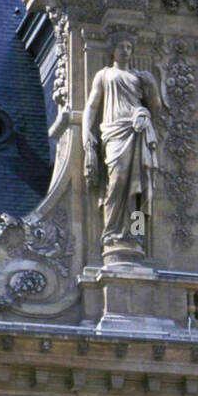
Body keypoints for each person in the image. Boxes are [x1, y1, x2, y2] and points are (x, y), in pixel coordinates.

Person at [82, 36, 163, 248]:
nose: (125, 50)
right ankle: (112, 231)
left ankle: (135, 233)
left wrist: (147, 102)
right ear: (113, 50)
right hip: (114, 132)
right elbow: (91, 107)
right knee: (116, 180)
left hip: (135, 131)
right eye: (121, 46)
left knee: (137, 185)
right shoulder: (105, 75)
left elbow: (156, 106)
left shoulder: (140, 77)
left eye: (129, 47)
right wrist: (87, 135)